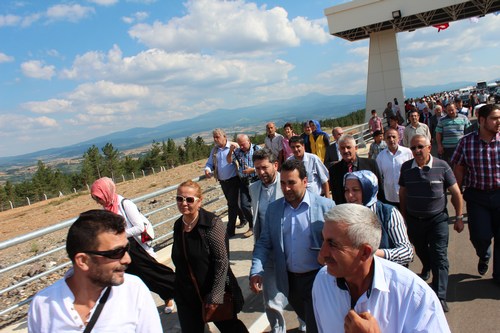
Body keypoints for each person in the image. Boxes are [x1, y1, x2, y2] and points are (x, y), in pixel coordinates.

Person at [312, 204, 450, 333]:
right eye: (323, 240)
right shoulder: (322, 282)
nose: (322, 253)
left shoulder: (415, 296)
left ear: (365, 252)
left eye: (333, 244)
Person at [28, 209, 162, 332]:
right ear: (83, 261)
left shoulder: (134, 290)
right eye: (116, 253)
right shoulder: (43, 305)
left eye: (127, 249)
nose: (127, 259)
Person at [250, 159, 335, 333]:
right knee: (306, 318)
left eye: (291, 183)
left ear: (305, 182)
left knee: (317, 323)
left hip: (319, 278)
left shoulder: (325, 206)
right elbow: (264, 242)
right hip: (290, 282)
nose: (286, 188)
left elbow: (337, 243)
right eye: (283, 183)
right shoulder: (274, 210)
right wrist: (256, 269)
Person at [171, 180, 248, 333]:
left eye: (189, 199)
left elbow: (221, 261)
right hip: (186, 296)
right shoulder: (178, 225)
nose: (183, 203)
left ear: (199, 201)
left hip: (212, 293)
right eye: (179, 198)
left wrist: (216, 296)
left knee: (231, 329)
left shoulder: (212, 224)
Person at [399, 134, 464, 312]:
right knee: (420, 249)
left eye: (420, 146)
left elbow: (456, 193)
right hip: (414, 220)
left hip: (437, 220)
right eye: (413, 148)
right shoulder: (406, 168)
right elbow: (403, 194)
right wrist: (403, 218)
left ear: (429, 147)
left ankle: (439, 295)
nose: (417, 151)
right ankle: (426, 265)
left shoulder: (442, 167)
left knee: (439, 255)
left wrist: (458, 217)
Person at [90, 177, 175, 313]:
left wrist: (118, 235)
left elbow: (139, 227)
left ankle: (180, 292)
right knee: (135, 280)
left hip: (137, 248)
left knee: (154, 275)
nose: (98, 201)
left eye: (99, 197)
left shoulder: (125, 204)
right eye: (95, 199)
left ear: (106, 192)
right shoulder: (107, 208)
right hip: (123, 250)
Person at [451, 104, 500, 282]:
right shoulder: (466, 142)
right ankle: (483, 254)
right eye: (494, 118)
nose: (498, 122)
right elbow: (458, 168)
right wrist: (457, 193)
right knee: (480, 236)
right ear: (481, 120)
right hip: (477, 197)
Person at [249, 148, 289, 332]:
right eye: (257, 169)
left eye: (264, 167)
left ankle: (306, 325)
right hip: (267, 249)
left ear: (275, 165)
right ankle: (277, 329)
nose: (261, 172)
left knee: (299, 294)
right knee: (270, 299)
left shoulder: (289, 183)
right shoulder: (253, 189)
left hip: (290, 248)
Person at [343, 170, 413, 266]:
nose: (350, 195)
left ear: (368, 189)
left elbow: (407, 253)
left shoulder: (388, 213)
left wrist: (374, 254)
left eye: (355, 190)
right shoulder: (345, 215)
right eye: (347, 190)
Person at [205, 128, 242, 237]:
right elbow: (209, 163)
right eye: (214, 137)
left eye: (218, 136)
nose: (215, 139)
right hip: (223, 182)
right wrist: (207, 170)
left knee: (231, 204)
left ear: (224, 136)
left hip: (234, 179)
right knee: (234, 203)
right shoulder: (214, 150)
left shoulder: (234, 146)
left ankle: (230, 230)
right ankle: (243, 218)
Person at [330, 134, 384, 204]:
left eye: (348, 147)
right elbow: (336, 197)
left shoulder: (371, 164)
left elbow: (379, 190)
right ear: (339, 150)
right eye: (342, 148)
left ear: (355, 148)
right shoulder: (334, 170)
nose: (346, 151)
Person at [227, 134, 261, 238]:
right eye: (240, 145)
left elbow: (266, 164)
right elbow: (229, 161)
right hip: (244, 182)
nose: (241, 147)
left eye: (243, 144)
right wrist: (230, 151)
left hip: (256, 180)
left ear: (249, 141)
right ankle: (252, 226)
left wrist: (253, 170)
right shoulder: (237, 151)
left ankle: (261, 226)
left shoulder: (257, 149)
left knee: (258, 205)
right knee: (244, 205)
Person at [375, 128, 413, 208]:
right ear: (384, 139)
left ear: (399, 138)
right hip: (390, 197)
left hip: (407, 195)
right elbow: (378, 177)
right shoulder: (381, 157)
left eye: (393, 137)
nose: (391, 139)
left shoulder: (408, 153)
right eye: (388, 137)